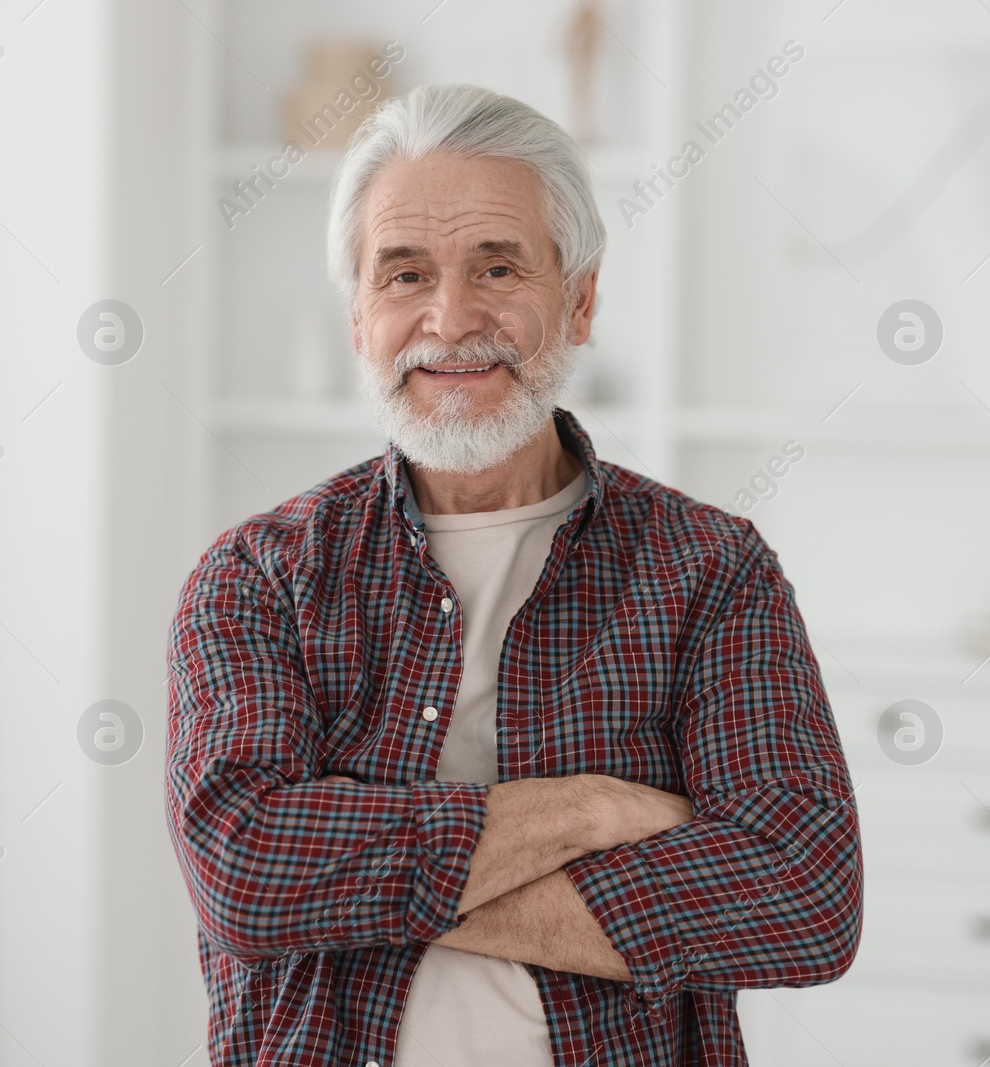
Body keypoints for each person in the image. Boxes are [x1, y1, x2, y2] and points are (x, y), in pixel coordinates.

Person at [164, 83, 861, 1067]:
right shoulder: (255, 578)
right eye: (403, 275)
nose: (450, 318)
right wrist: (582, 808)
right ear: (358, 316)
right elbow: (246, 873)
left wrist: (355, 873)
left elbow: (800, 899)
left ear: (577, 301)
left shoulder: (708, 568)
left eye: (497, 266)